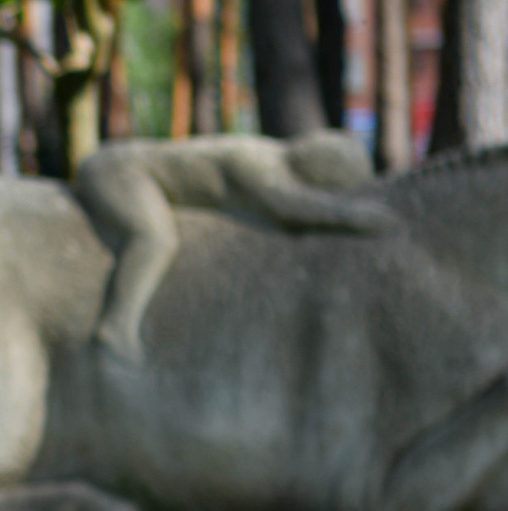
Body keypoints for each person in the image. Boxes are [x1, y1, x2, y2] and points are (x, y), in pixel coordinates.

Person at [72, 132, 396, 361]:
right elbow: (289, 207)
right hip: (117, 171)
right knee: (155, 239)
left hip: (126, 168)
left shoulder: (272, 159)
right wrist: (352, 216)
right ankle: (118, 324)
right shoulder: (258, 161)